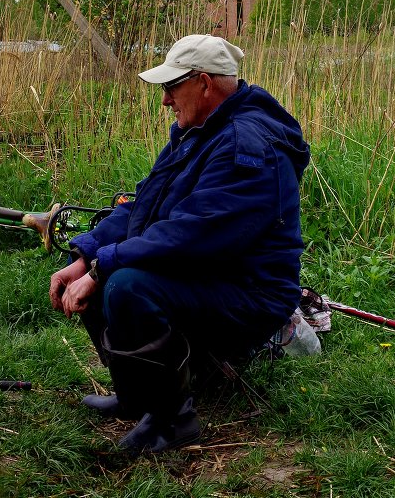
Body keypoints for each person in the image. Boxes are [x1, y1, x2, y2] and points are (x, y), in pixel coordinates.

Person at [40, 34, 309, 454]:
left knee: (125, 284)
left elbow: (190, 236)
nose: (165, 100)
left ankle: (173, 419)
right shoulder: (200, 130)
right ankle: (138, 399)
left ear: (204, 83)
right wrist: (86, 254)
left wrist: (102, 268)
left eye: (171, 87)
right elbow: (144, 205)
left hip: (250, 293)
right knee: (106, 270)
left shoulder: (246, 145)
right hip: (212, 276)